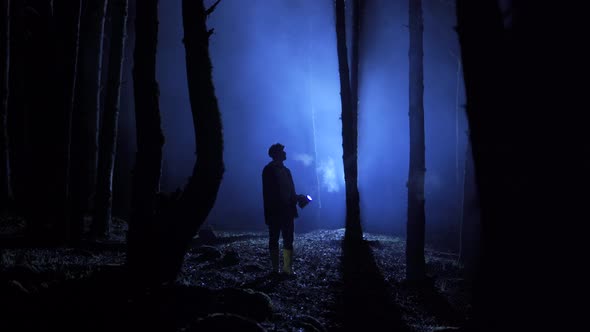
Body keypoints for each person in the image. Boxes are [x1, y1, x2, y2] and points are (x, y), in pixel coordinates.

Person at [262, 143, 301, 276]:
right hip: (275, 211)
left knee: (288, 239)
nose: (285, 153)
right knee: (274, 238)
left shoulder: (286, 171)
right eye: (282, 151)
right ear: (276, 154)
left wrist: (297, 198)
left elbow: (290, 191)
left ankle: (286, 268)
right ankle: (275, 268)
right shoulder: (268, 170)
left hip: (286, 210)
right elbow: (268, 194)